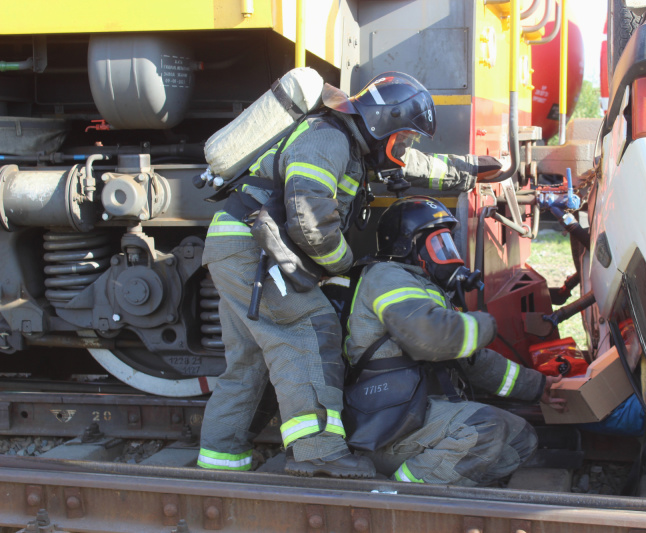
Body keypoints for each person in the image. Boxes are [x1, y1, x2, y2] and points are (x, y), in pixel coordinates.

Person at [198, 72, 507, 477]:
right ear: (382, 122)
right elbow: (308, 213)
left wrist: (468, 171)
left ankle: (218, 466)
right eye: (404, 137)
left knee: (248, 362)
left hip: (237, 246)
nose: (405, 148)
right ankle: (318, 452)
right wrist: (344, 266)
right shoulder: (328, 137)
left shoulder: (355, 144)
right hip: (252, 250)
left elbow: (411, 165)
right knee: (308, 328)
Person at [344, 196, 565, 485]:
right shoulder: (386, 276)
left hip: (418, 412)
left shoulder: (424, 286)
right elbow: (429, 337)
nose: (447, 254)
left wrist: (536, 387)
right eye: (438, 244)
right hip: (387, 424)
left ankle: (445, 488)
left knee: (519, 439)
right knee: (485, 427)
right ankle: (399, 493)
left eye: (448, 243)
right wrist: (483, 323)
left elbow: (474, 361)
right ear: (406, 245)